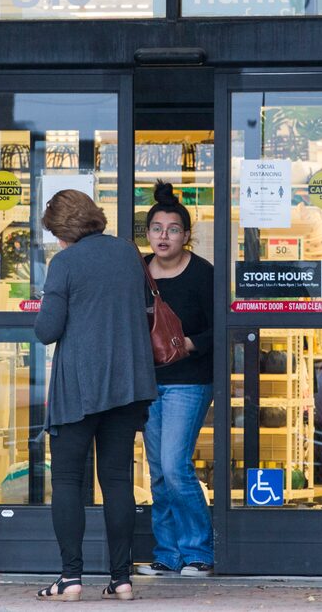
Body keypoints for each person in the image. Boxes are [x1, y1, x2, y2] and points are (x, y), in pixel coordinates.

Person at [34, 189, 157, 602]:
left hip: (80, 386)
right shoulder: (127, 253)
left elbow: (48, 330)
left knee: (68, 479)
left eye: (54, 232)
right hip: (127, 382)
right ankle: (121, 578)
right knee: (118, 478)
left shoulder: (64, 263)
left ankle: (70, 578)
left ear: (62, 229)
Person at [136, 181, 215, 577]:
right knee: (158, 470)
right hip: (148, 381)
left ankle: (199, 550)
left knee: (174, 463)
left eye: (172, 229)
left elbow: (223, 328)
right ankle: (167, 554)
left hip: (190, 379)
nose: (163, 236)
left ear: (186, 235)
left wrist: (190, 344)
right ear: (147, 233)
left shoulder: (203, 274)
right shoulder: (138, 271)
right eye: (156, 228)